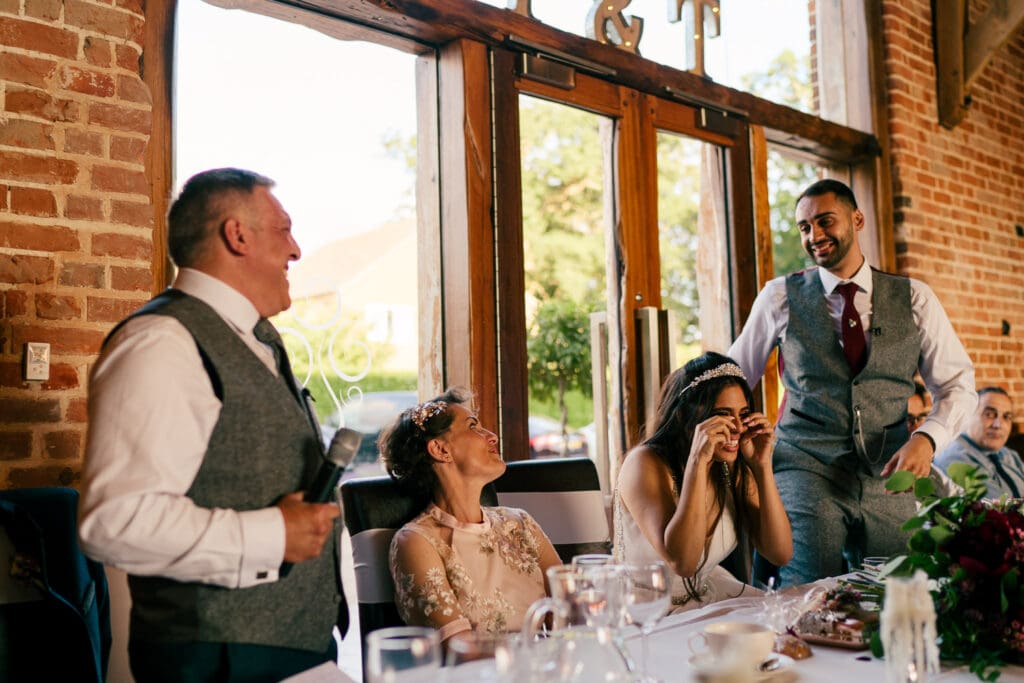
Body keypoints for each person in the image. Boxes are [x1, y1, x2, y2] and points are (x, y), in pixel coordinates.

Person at [78, 168, 346, 682]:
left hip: (292, 651)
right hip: (218, 661)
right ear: (237, 234)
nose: (295, 250)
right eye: (283, 230)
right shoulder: (162, 342)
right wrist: (273, 534)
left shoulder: (258, 340)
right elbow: (113, 521)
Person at [728, 178, 976, 586]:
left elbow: (958, 385)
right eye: (805, 227)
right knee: (808, 590)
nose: (814, 235)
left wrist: (927, 439)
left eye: (825, 221)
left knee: (899, 592)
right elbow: (732, 377)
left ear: (857, 219)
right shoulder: (779, 297)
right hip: (804, 465)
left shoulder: (915, 298)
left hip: (889, 470)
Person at [380, 389, 562, 643]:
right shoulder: (417, 542)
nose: (492, 436)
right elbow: (459, 650)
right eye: (473, 426)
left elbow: (571, 606)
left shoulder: (520, 523)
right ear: (440, 449)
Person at [615, 352, 792, 609]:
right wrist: (698, 460)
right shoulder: (644, 463)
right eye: (723, 414)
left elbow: (780, 553)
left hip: (705, 598)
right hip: (643, 610)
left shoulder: (731, 469)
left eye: (743, 414)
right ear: (685, 417)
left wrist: (762, 466)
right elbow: (683, 563)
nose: (737, 427)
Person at [934, 387, 1024, 499]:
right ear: (969, 416)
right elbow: (997, 506)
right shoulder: (955, 457)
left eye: (1006, 417)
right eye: (989, 414)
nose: (998, 425)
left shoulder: (1009, 455)